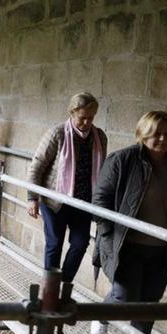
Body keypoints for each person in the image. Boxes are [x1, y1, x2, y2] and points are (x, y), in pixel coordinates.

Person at [91, 111, 167, 334]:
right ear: (143, 133)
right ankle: (102, 314)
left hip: (162, 246)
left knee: (150, 299)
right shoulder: (123, 160)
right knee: (124, 297)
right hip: (126, 243)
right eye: (155, 133)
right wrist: (108, 236)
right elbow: (100, 201)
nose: (162, 138)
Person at [27, 92, 107, 286]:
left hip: (83, 201)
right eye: (82, 118)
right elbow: (37, 166)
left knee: (80, 245)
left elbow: (102, 167)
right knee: (54, 244)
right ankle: (49, 290)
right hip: (55, 200)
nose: (87, 122)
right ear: (72, 113)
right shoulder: (57, 133)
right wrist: (32, 198)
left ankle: (64, 284)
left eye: (91, 118)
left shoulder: (99, 137)